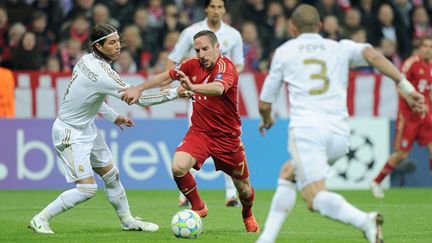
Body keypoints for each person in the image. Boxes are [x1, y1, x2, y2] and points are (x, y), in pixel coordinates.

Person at [256, 4, 425, 243]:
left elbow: (264, 104)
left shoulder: (285, 51)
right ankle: (266, 239)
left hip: (308, 132)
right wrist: (406, 87)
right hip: (339, 136)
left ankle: (364, 220)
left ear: (292, 28)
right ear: (320, 26)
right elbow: (373, 56)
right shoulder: (339, 47)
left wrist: (266, 120)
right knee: (289, 172)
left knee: (314, 197)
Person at [28, 23, 188, 234]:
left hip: (86, 127)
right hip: (70, 133)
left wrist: (114, 117)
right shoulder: (101, 72)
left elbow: (89, 98)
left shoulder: (85, 60)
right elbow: (140, 99)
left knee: (112, 175)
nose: (118, 46)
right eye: (112, 43)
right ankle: (40, 218)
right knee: (87, 189)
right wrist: (176, 93)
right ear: (99, 46)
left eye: (118, 41)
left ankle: (127, 220)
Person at [121, 30, 260, 233]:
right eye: (197, 50)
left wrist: (192, 87)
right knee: (178, 167)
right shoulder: (191, 65)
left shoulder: (227, 66)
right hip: (200, 132)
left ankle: (247, 214)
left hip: (227, 138)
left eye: (205, 49)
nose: (201, 54)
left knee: (244, 189)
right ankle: (198, 207)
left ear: (217, 47)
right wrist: (139, 88)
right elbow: (167, 77)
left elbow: (218, 88)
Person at [166, 0, 244, 207]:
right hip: (197, 94)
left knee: (226, 141)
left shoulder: (234, 35)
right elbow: (173, 59)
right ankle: (185, 194)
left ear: (224, 10)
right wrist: (170, 88)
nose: (216, 11)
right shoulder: (191, 31)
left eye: (220, 7)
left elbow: (239, 64)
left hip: (222, 96)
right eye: (213, 7)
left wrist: (225, 79)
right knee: (195, 137)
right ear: (206, 10)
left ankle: (230, 194)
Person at [371, 36, 432, 199]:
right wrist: (411, 100)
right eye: (425, 45)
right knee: (401, 155)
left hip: (425, 116)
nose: (427, 49)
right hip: (408, 117)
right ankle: (376, 181)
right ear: (420, 47)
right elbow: (399, 84)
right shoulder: (411, 63)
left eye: (430, 46)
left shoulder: (430, 66)